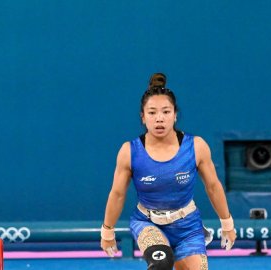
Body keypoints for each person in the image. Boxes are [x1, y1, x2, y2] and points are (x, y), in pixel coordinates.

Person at [101, 85, 236, 269]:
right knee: (161, 263)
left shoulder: (196, 146)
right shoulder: (129, 151)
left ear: (175, 115)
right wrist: (107, 231)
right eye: (152, 112)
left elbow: (213, 186)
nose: (159, 118)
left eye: (166, 111)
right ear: (143, 117)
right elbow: (117, 194)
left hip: (188, 227)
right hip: (147, 222)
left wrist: (227, 224)